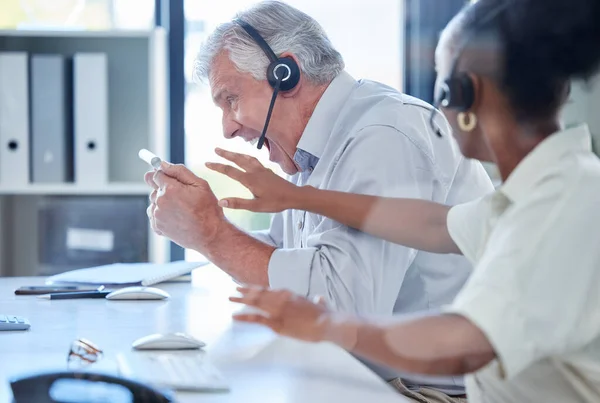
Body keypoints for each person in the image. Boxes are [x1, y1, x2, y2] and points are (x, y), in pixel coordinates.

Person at [208, 0, 600, 401]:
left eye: (442, 83)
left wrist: (330, 325)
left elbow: (464, 344)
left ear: (464, 93)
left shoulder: (562, 203)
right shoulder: (546, 190)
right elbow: (430, 224)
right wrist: (299, 196)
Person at [144, 1, 493, 400]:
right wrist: (201, 224)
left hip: (430, 393)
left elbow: (343, 309)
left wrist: (211, 234)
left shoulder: (385, 135)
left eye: (231, 100)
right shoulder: (311, 154)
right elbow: (277, 258)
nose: (228, 128)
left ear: (285, 75)